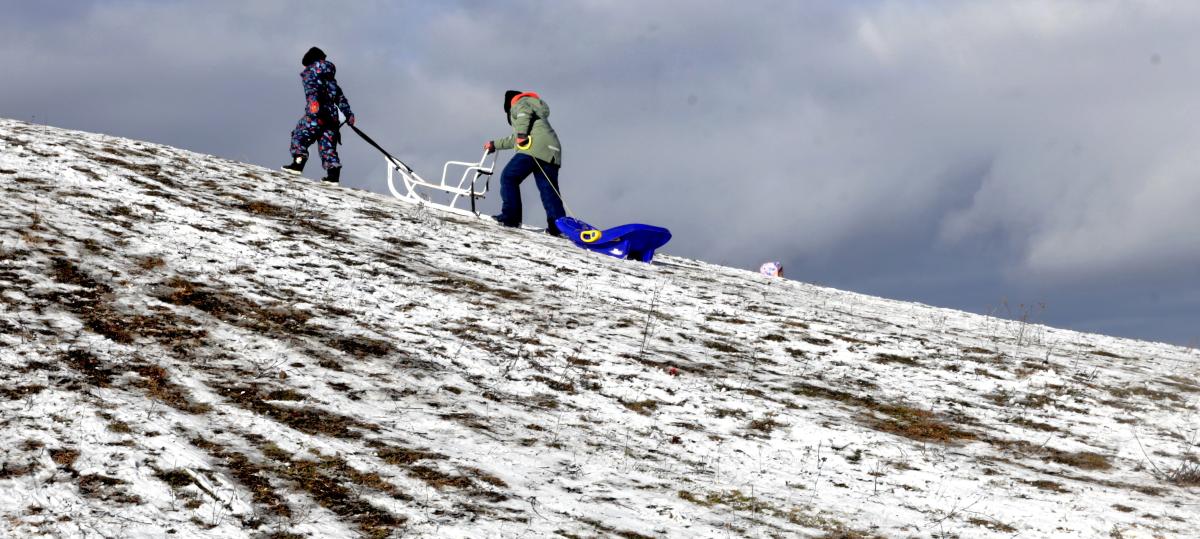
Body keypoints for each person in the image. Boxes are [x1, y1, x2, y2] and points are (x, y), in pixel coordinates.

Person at [483, 90, 566, 236]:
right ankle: (558, 227)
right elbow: (513, 139)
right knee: (549, 191)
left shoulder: (520, 103)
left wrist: (521, 135)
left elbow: (523, 115)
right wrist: (494, 144)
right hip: (552, 150)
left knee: (509, 177)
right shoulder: (536, 113)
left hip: (534, 148)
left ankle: (511, 218)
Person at [281, 47, 355, 183]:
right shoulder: (331, 79)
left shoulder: (310, 72)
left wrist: (314, 105)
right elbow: (341, 98)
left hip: (317, 114)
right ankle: (333, 176)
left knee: (299, 135)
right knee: (327, 146)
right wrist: (349, 114)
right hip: (332, 118)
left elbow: (311, 89)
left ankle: (297, 164)